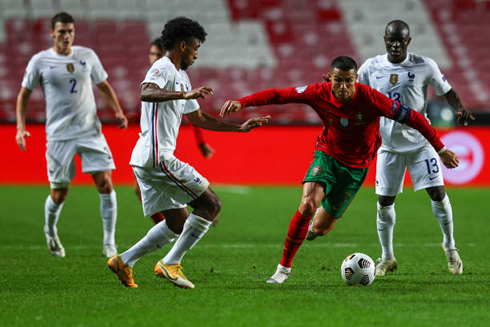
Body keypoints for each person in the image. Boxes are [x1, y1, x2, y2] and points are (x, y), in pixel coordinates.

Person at [220, 56, 459, 284]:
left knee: (321, 228)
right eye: (338, 80)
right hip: (327, 156)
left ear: (357, 79)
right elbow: (278, 94)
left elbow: (415, 118)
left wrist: (440, 149)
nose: (343, 86)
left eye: (349, 81)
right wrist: (243, 102)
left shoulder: (372, 99)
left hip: (356, 168)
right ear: (329, 78)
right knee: (306, 205)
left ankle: (313, 227)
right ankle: (283, 269)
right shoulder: (318, 92)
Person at [107, 17, 269, 289]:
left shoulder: (181, 76)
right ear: (183, 45)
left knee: (177, 223)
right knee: (211, 205)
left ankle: (124, 261)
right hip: (158, 157)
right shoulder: (164, 67)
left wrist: (239, 128)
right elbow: (146, 92)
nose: (197, 53)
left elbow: (200, 119)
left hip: (145, 159)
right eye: (195, 47)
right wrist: (181, 96)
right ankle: (170, 263)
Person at [357, 20, 474, 276]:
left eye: (401, 40)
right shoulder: (371, 67)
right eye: (391, 39)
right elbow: (354, 92)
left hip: (421, 143)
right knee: (385, 202)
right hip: (388, 146)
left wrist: (458, 107)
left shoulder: (425, 65)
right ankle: (387, 257)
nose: (396, 44)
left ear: (408, 41)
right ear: (385, 39)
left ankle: (450, 247)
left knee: (437, 193)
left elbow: (448, 90)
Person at [15, 12, 128, 258]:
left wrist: (118, 111)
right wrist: (20, 127)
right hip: (59, 136)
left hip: (90, 131)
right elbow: (23, 95)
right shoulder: (40, 61)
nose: (67, 36)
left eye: (70, 31)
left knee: (106, 184)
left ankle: (110, 243)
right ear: (52, 33)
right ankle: (51, 229)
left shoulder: (87, 56)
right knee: (59, 193)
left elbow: (104, 85)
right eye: (62, 32)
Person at [133, 38, 216, 225]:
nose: (155, 58)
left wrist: (201, 142)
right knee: (206, 206)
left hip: (161, 150)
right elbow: (147, 96)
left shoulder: (177, 76)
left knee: (179, 222)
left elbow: (195, 116)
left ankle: (126, 253)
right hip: (151, 150)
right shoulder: (158, 73)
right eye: (152, 54)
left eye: (158, 54)